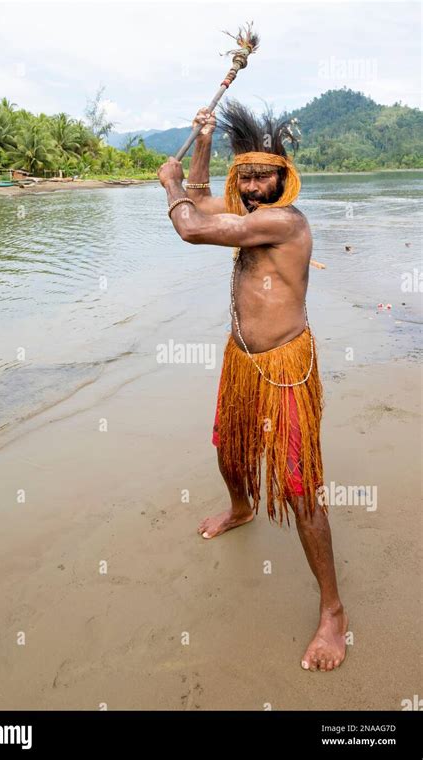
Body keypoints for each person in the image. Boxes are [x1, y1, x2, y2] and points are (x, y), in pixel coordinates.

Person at [157, 100, 348, 673]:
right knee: (229, 447)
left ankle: (333, 611)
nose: (255, 185)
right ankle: (240, 507)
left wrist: (169, 185)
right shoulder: (245, 206)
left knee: (299, 486)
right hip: (241, 360)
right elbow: (202, 200)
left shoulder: (284, 220)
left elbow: (189, 224)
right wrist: (206, 146)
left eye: (264, 174)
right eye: (246, 176)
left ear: (283, 178)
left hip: (286, 367)